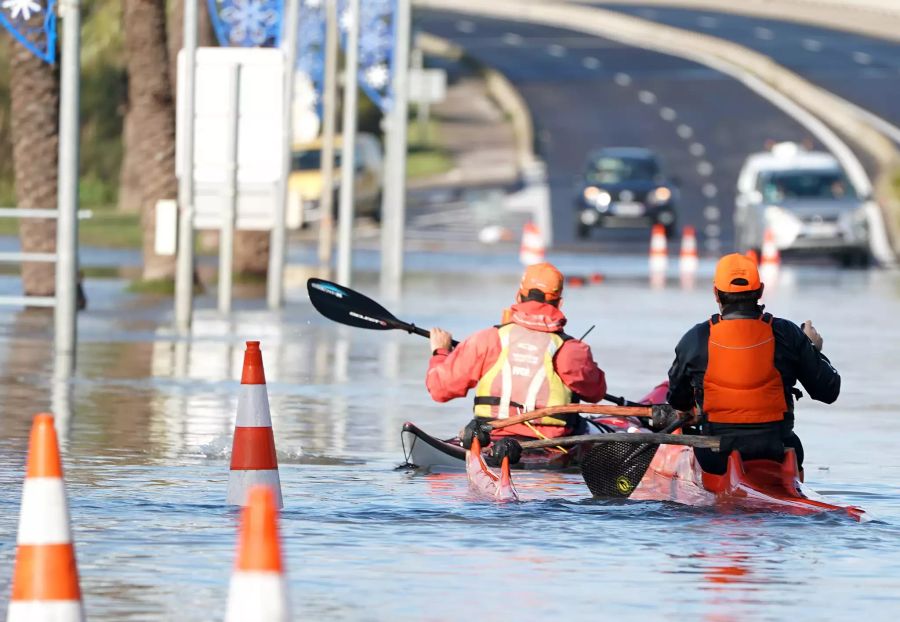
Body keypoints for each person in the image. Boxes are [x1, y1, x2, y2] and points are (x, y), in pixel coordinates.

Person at [667, 253, 840, 475]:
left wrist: (694, 406)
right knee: (793, 445)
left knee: (694, 437)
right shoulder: (787, 333)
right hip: (777, 452)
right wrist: (813, 348)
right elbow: (828, 391)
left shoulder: (696, 337)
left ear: (716, 294)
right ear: (760, 291)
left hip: (716, 457)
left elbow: (677, 399)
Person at [426, 262, 607, 455]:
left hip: (490, 441)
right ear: (560, 303)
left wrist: (441, 352)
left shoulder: (487, 339)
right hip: (550, 448)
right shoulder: (571, 350)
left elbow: (439, 389)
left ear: (518, 296)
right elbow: (596, 392)